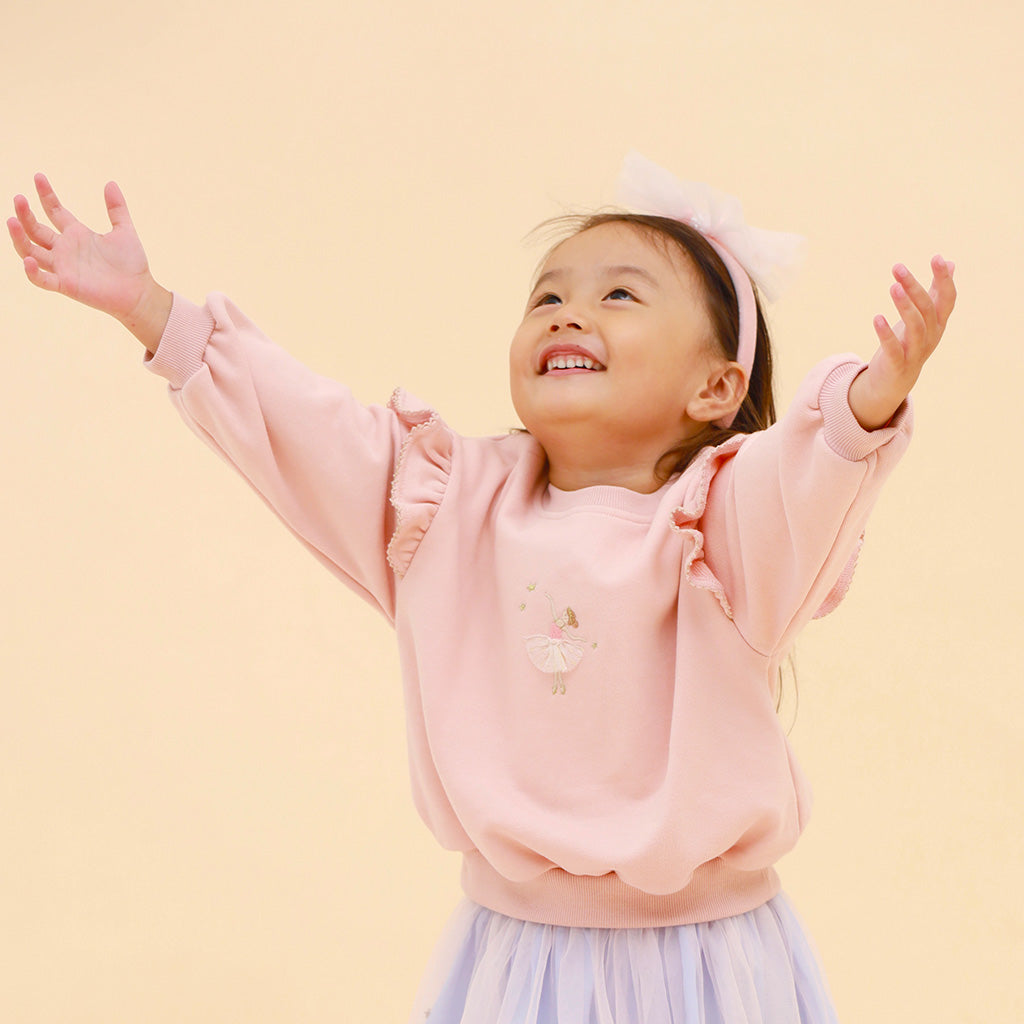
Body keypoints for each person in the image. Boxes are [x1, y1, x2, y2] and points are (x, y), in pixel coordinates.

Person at [7, 153, 956, 1023]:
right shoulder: (442, 508)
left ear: (716, 388)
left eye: (620, 294)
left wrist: (871, 394)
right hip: (517, 958)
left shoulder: (725, 530)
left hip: (705, 967)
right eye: (546, 294)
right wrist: (152, 310)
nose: (565, 313)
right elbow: (302, 424)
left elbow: (812, 471)